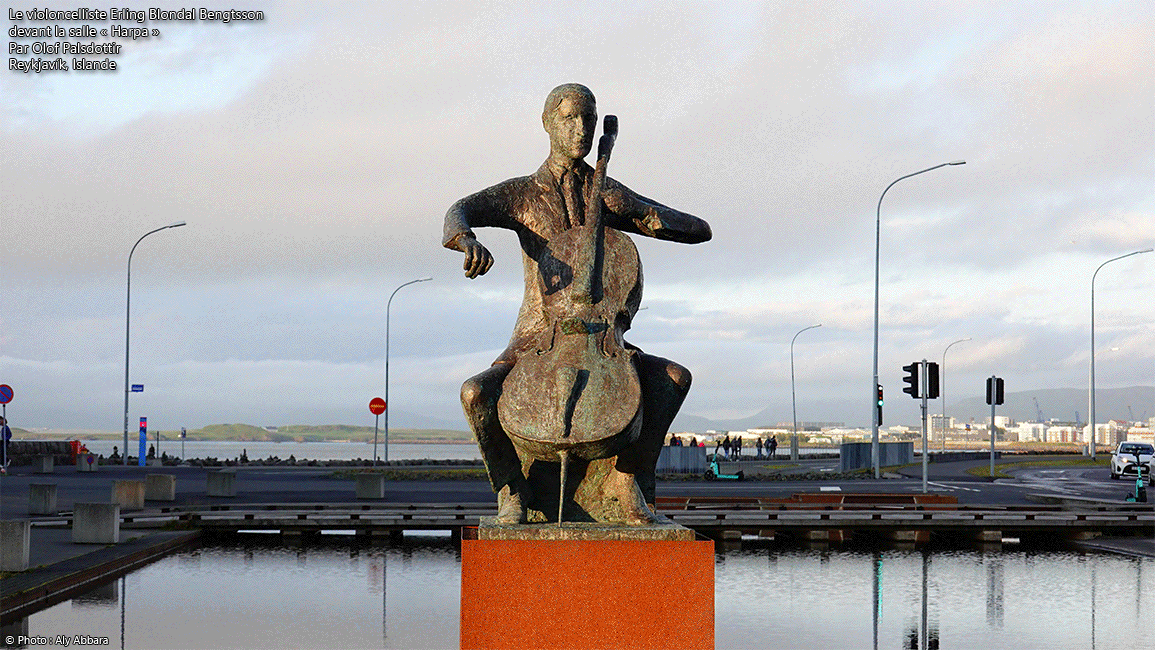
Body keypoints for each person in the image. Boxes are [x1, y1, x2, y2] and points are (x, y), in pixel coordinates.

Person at [444, 83, 711, 525]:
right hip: (537, 341)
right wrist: (466, 239)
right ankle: (511, 490)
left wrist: (640, 210)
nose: (581, 129)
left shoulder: (606, 191)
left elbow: (699, 230)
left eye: (588, 118)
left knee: (672, 379)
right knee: (476, 394)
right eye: (569, 119)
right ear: (548, 124)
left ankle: (628, 485)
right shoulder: (522, 195)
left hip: (602, 339)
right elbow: (460, 209)